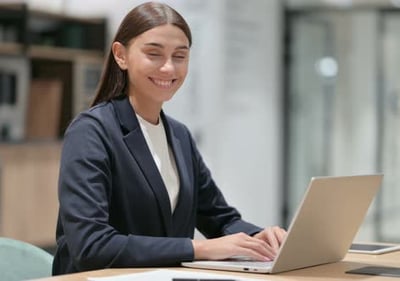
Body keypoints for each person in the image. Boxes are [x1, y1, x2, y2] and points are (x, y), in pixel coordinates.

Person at [52, 1, 286, 275]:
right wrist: (198, 248)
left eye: (179, 56)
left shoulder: (179, 136)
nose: (168, 68)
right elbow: (91, 246)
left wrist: (262, 238)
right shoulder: (91, 131)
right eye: (154, 54)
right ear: (121, 55)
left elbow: (220, 218)